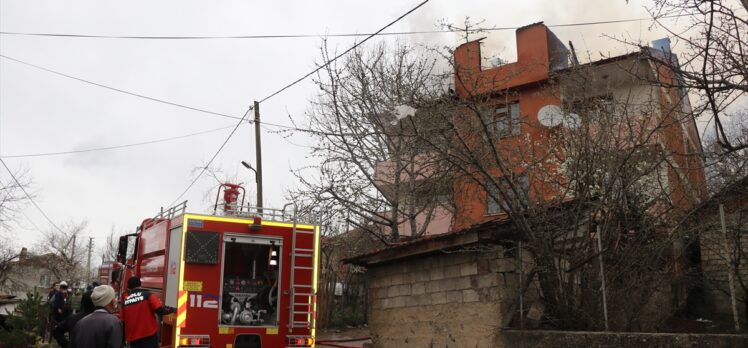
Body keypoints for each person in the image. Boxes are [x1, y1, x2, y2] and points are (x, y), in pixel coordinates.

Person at [120, 276, 174, 348]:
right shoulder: (148, 295)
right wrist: (173, 309)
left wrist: (123, 340)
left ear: (129, 287)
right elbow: (159, 310)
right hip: (149, 335)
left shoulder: (125, 302)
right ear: (140, 284)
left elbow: (122, 322)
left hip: (133, 338)